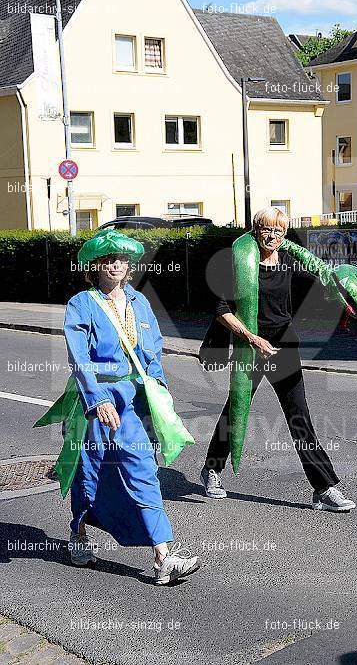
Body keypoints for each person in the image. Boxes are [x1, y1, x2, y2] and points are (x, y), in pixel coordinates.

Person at [35, 229, 200, 585]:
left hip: (132, 402)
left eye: (121, 259)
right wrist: (96, 401)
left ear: (128, 266)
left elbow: (152, 353)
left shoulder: (140, 303)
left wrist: (160, 398)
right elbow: (78, 358)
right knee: (88, 471)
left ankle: (163, 557)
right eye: (108, 259)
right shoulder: (82, 303)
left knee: (143, 470)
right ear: (95, 266)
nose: (115, 265)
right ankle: (79, 533)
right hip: (96, 401)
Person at [200, 208, 357, 512]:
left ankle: (324, 487)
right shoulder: (239, 261)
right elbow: (221, 308)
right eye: (266, 229)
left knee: (299, 417)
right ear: (255, 229)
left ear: (284, 234)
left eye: (278, 231)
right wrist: (253, 339)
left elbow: (324, 278)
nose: (272, 236)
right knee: (236, 409)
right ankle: (212, 469)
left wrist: (349, 287)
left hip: (283, 346)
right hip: (250, 344)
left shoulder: (288, 259)